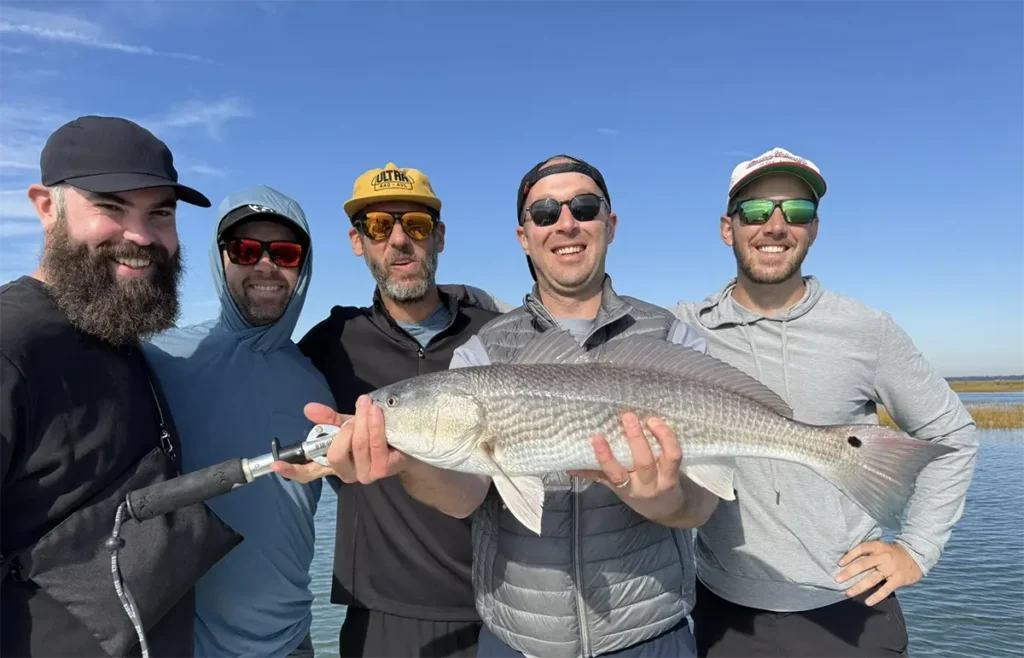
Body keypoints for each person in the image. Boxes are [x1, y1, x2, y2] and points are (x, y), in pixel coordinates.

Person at [318, 155, 720, 658]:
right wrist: (405, 462)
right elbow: (465, 495)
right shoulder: (481, 352)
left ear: (610, 225)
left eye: (585, 207)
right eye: (545, 213)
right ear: (523, 236)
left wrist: (666, 501)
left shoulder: (672, 338)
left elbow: (705, 505)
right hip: (517, 643)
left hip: (652, 635)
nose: (566, 223)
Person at [671, 147, 979, 657]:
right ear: (728, 228)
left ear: (813, 229)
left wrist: (916, 551)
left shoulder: (866, 330)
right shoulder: (683, 329)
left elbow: (953, 434)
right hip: (723, 608)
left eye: (796, 212)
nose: (775, 225)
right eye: (754, 211)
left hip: (852, 606)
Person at [0, 115, 241, 658]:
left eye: (160, 212)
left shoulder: (113, 329)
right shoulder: (13, 346)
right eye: (110, 207)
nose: (140, 236)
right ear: (46, 207)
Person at [291, 162, 502, 658]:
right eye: (380, 226)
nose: (399, 240)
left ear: (440, 238)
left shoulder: (499, 335)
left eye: (418, 225)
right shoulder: (332, 343)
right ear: (357, 241)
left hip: (502, 607)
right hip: (380, 618)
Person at [142, 185, 336, 658]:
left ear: (302, 266)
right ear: (219, 258)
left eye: (285, 252)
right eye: (245, 250)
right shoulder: (156, 358)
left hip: (293, 644)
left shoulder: (322, 382)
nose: (266, 266)